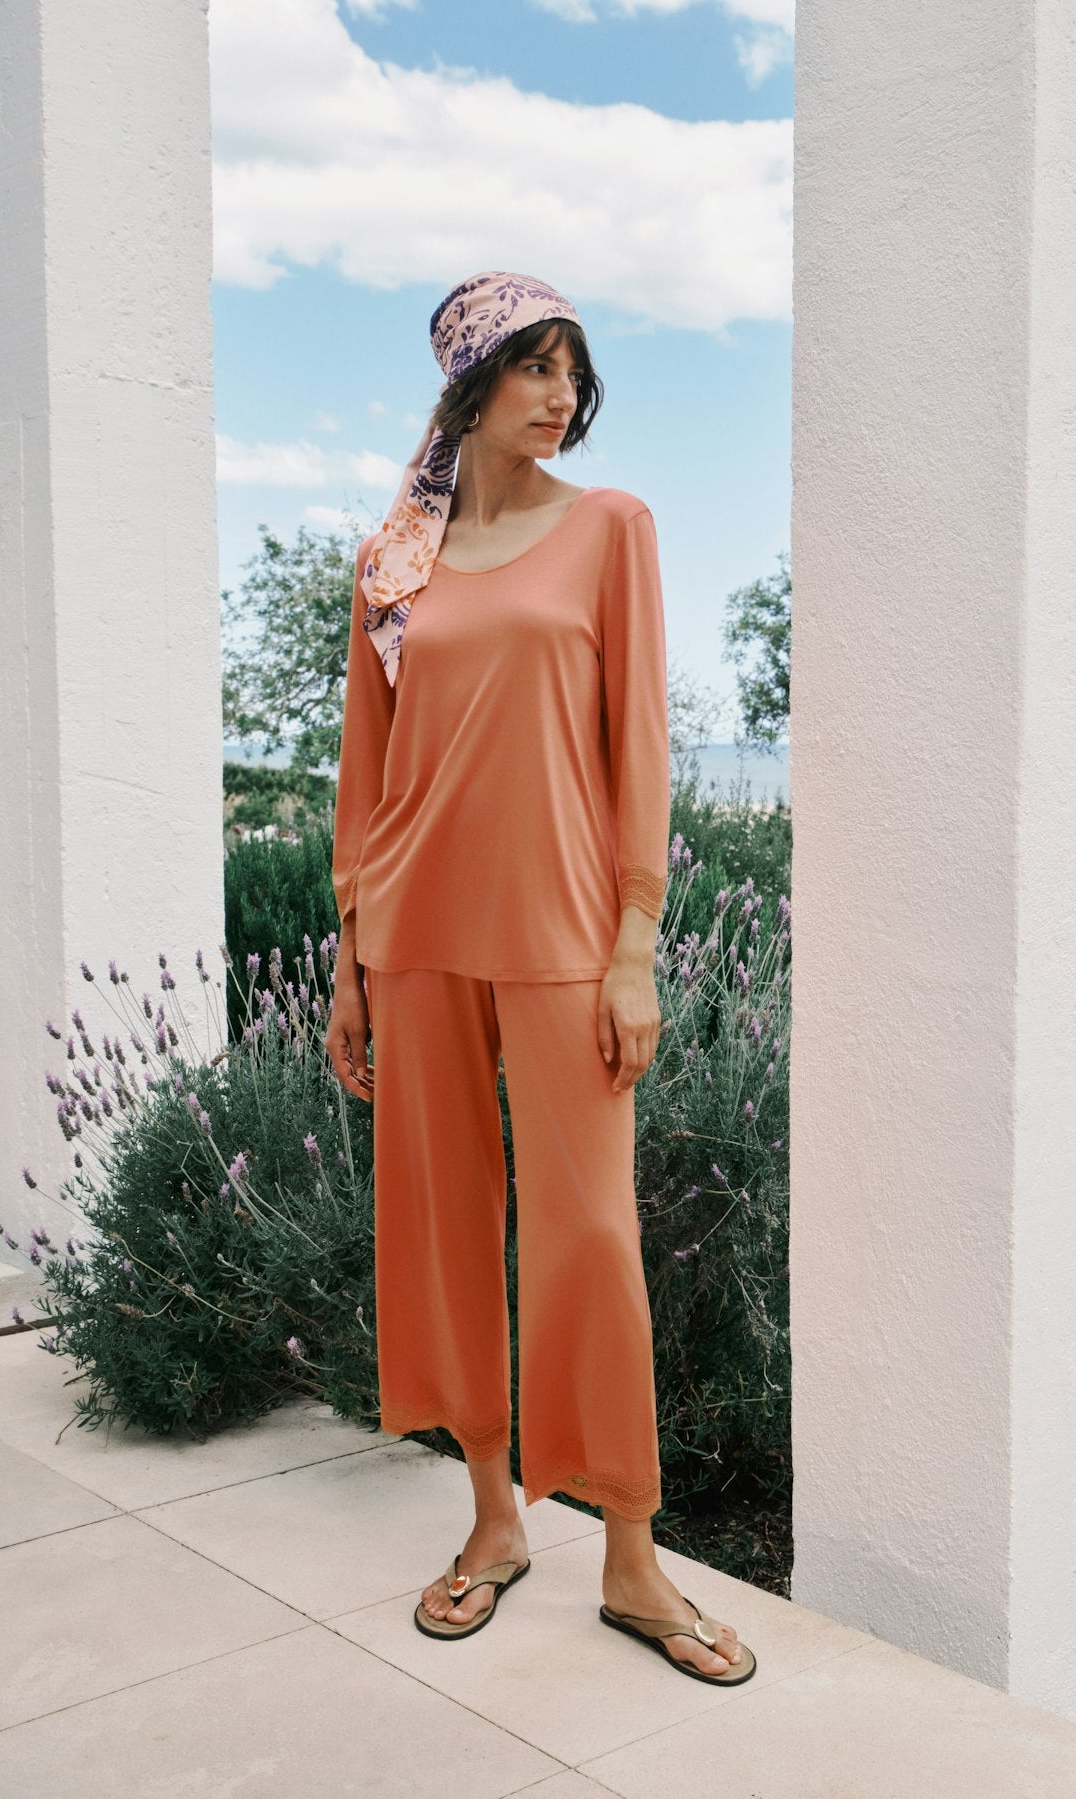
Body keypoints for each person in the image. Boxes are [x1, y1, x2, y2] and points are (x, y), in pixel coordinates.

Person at [325, 271, 754, 1684]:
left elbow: (639, 747)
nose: (561, 393)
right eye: (533, 367)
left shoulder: (612, 532)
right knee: (449, 1230)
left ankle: (631, 1556)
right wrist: (349, 957)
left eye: (574, 369)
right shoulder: (394, 562)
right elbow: (367, 777)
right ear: (471, 383)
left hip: (568, 937)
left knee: (590, 1237)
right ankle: (493, 1519)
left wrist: (635, 940)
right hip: (416, 933)